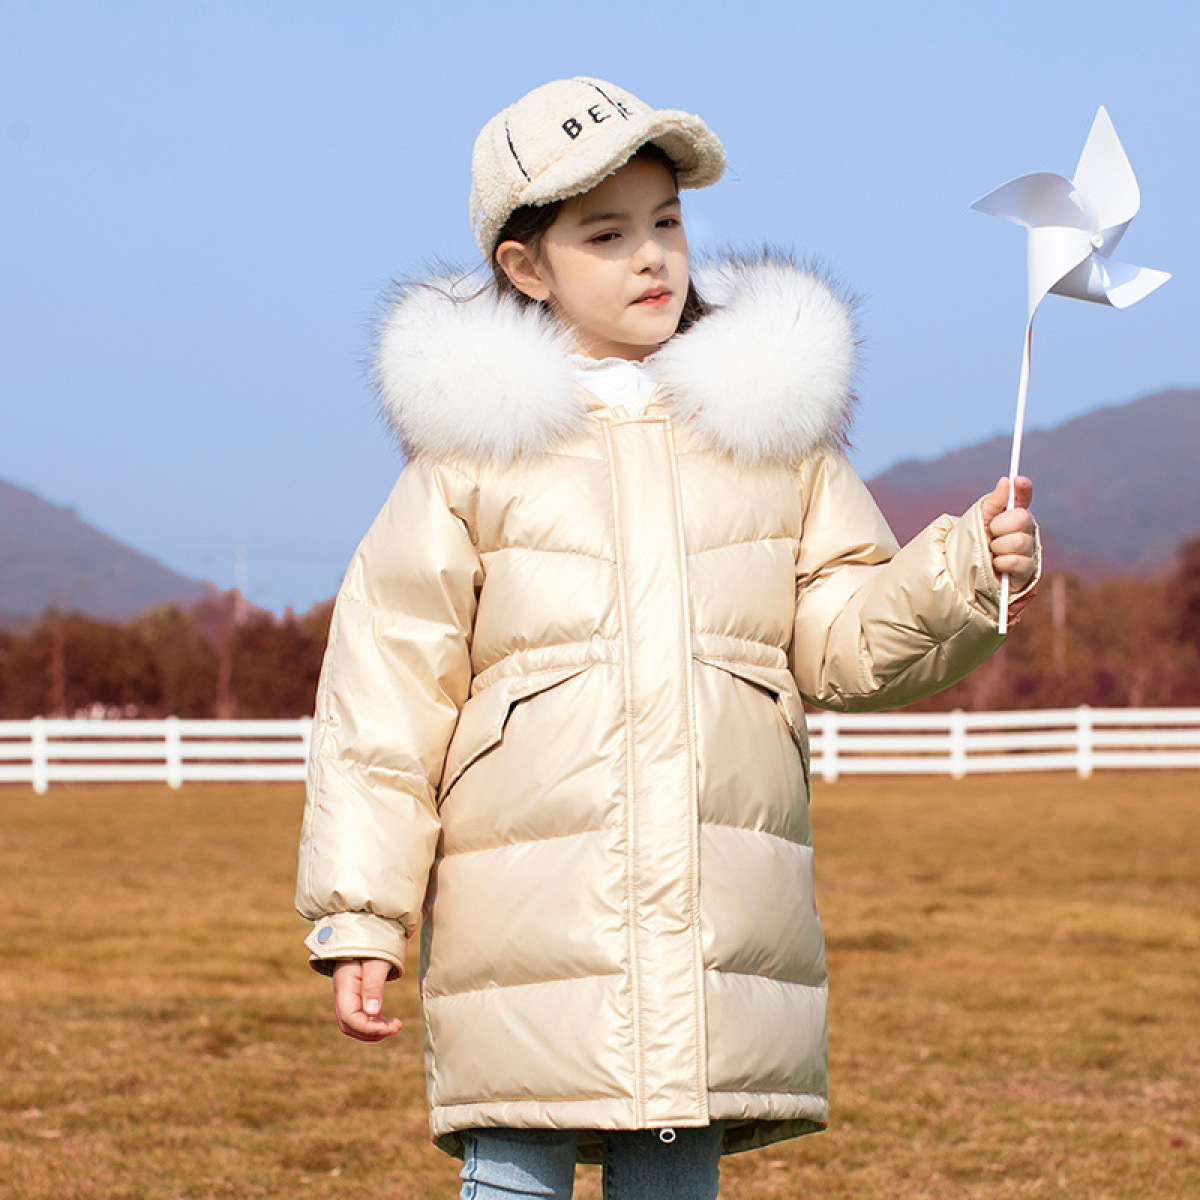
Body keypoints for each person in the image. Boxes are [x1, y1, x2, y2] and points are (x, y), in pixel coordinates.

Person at [295, 76, 1039, 1200]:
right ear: (528, 268)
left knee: (673, 1162)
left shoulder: (771, 441)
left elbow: (839, 640)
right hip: (526, 912)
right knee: (519, 1158)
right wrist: (363, 911)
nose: (652, 257)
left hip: (712, 906)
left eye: (667, 222)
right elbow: (384, 698)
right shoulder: (471, 462)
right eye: (606, 235)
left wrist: (959, 572)